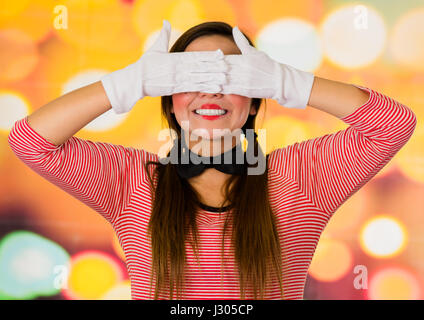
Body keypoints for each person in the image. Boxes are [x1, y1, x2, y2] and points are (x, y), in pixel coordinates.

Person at [8, 20, 417, 300]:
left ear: (255, 99)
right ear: (169, 100)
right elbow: (31, 141)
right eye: (190, 79)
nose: (211, 92)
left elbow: (393, 123)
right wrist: (128, 83)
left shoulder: (300, 177)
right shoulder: (132, 181)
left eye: (231, 78)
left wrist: (286, 81)